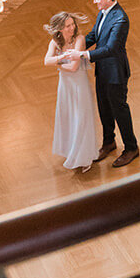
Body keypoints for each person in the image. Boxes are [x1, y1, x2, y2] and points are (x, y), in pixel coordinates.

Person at [84, 0, 139, 167]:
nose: (94, 2)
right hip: (102, 70)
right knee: (104, 109)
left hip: (115, 73)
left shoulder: (120, 19)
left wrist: (84, 55)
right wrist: (71, 48)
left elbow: (111, 48)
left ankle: (131, 148)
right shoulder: (102, 13)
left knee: (120, 110)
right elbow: (93, 36)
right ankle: (109, 142)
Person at [43, 11, 95, 172]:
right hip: (65, 86)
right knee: (68, 117)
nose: (72, 28)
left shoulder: (79, 39)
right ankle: (71, 150)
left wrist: (58, 61)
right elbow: (46, 61)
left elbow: (74, 67)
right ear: (59, 29)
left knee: (81, 118)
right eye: (68, 26)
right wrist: (63, 59)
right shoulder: (55, 42)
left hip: (79, 85)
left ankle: (84, 157)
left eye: (72, 24)